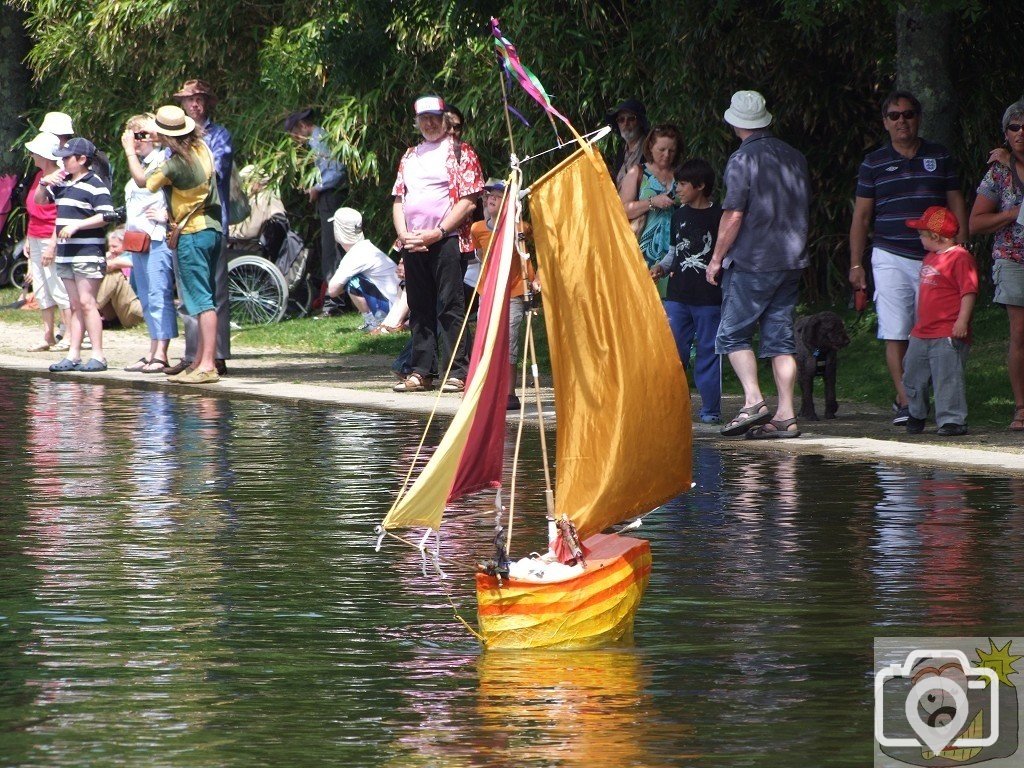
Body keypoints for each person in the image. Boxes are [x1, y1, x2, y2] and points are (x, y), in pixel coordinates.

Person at [848, 91, 968, 425]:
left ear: (918, 117)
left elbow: (956, 202)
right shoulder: (873, 162)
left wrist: (961, 247)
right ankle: (907, 401)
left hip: (939, 257)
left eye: (909, 114)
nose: (903, 120)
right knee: (897, 328)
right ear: (885, 122)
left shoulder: (939, 156)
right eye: (895, 115)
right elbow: (861, 217)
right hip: (889, 254)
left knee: (938, 330)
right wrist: (856, 263)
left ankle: (936, 399)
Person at [706, 90, 811, 439]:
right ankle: (786, 414)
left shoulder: (742, 160)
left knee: (732, 332)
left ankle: (753, 401)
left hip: (753, 258)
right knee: (780, 338)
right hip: (791, 258)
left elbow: (734, 213)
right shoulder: (795, 156)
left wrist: (717, 258)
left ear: (735, 123)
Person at [391, 95, 484, 393]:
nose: (429, 123)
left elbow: (469, 202)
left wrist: (439, 231)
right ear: (417, 122)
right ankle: (421, 371)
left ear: (444, 119)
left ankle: (458, 371)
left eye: (434, 117)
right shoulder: (409, 156)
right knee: (419, 307)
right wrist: (404, 234)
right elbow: (399, 199)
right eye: (423, 118)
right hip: (413, 240)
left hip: (447, 239)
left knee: (450, 306)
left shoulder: (461, 152)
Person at [124, 105, 222, 384]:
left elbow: (143, 182)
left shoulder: (174, 165)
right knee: (207, 298)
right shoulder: (201, 148)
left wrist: (131, 151)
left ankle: (207, 366)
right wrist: (156, 135)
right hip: (211, 230)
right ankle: (202, 362)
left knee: (201, 302)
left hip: (191, 234)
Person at [651, 159, 723, 423]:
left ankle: (710, 411)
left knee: (708, 353)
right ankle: (674, 407)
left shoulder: (721, 216)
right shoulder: (679, 215)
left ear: (700, 186)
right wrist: (660, 267)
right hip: (677, 297)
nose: (677, 189)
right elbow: (674, 252)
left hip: (709, 299)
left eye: (682, 184)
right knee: (673, 354)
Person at [35, 137, 114, 373]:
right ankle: (74, 354)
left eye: (67, 158)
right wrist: (43, 183)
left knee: (88, 303)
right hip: (67, 254)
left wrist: (78, 226)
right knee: (74, 304)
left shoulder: (95, 183)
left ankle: (98, 355)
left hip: (88, 252)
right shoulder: (63, 182)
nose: (63, 162)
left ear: (82, 160)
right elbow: (40, 202)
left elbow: (107, 215)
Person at [969, 100, 1024, 431]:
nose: (1020, 133)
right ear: (1005, 134)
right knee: (1019, 333)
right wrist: (1009, 215)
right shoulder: (998, 173)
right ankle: (1021, 408)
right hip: (1013, 259)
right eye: (1014, 127)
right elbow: (975, 222)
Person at [171, 78, 232, 374]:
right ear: (181, 104)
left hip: (211, 221)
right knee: (188, 294)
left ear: (207, 103)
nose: (194, 104)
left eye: (199, 99)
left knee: (215, 291)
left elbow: (211, 173)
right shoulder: (173, 137)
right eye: (189, 99)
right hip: (180, 225)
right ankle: (192, 353)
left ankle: (216, 355)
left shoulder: (219, 136)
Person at [901, 206, 977, 436]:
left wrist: (962, 321)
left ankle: (952, 419)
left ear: (935, 236)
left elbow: (968, 291)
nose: (919, 238)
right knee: (913, 374)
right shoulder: (929, 258)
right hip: (922, 331)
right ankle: (916, 412)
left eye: (922, 234)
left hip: (946, 331)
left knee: (947, 376)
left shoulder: (960, 257)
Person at [471, 178, 539, 410]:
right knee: (485, 339)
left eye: (498, 196)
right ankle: (485, 387)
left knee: (509, 341)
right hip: (488, 292)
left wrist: (535, 279)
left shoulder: (520, 229)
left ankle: (510, 393)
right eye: (489, 195)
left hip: (514, 290)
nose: (492, 198)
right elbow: (481, 256)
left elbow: (529, 253)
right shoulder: (477, 228)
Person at [121, 114, 177, 372]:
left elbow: (177, 190)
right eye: (135, 136)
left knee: (158, 294)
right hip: (138, 239)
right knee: (145, 296)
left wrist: (169, 216)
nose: (138, 141)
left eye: (143, 135)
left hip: (156, 238)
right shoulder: (141, 164)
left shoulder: (163, 159)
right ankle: (152, 349)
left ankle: (162, 353)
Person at [284, 108, 348, 316]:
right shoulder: (319, 138)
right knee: (331, 248)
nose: (294, 139)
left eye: (294, 132)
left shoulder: (318, 139)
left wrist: (317, 188)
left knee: (331, 248)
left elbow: (336, 172)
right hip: (329, 197)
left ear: (303, 125)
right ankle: (336, 299)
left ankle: (333, 303)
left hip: (331, 196)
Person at [22, 131, 71, 353]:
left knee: (58, 286)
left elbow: (61, 214)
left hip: (50, 236)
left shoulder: (61, 177)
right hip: (35, 234)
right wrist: (28, 238)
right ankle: (48, 334)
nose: (31, 155)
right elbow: (33, 208)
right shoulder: (39, 176)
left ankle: (69, 334)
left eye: (34, 152)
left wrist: (53, 244)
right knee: (41, 287)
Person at [619, 124, 682, 273]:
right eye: (662, 149)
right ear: (650, 147)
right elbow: (621, 211)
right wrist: (652, 202)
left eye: (671, 150)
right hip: (641, 252)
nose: (667, 155)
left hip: (675, 252)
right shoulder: (638, 172)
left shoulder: (682, 175)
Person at [326, 207, 401, 329]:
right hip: (397, 304)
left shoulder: (356, 255)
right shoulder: (365, 248)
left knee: (352, 282)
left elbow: (333, 290)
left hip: (393, 308)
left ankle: (372, 322)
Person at [229, 165, 286, 241]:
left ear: (257, 182)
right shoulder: (271, 197)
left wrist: (230, 232)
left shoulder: (260, 199)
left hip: (251, 248)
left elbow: (249, 232)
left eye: (246, 181)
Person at [605, 99, 650, 190]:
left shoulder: (650, 149)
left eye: (631, 118)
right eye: (621, 120)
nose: (626, 123)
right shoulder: (621, 151)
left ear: (640, 122)